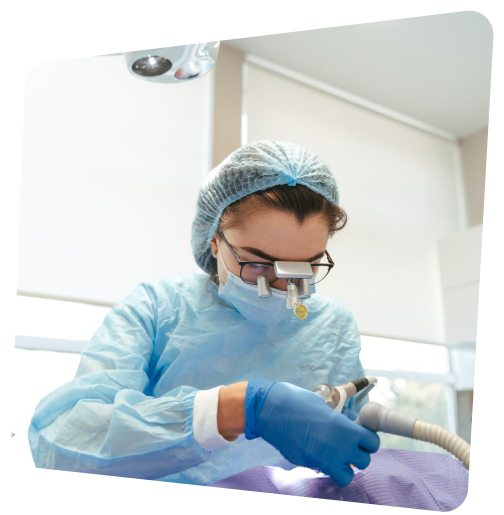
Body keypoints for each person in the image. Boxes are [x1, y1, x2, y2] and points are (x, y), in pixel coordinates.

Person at [28, 140, 380, 487]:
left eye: (302, 268)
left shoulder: (332, 326)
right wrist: (236, 408)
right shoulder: (157, 307)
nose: (279, 287)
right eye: (257, 264)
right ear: (215, 239)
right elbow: (65, 442)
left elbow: (347, 450)